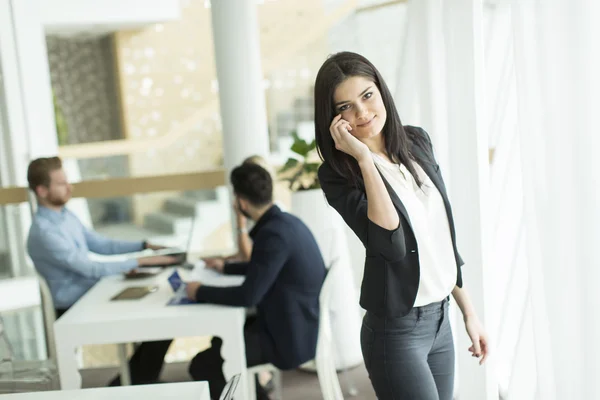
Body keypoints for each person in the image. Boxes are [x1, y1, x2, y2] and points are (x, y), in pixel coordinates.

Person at [314, 52, 489, 400]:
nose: (363, 113)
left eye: (367, 95)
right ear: (334, 118)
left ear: (381, 90)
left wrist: (469, 312)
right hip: (396, 332)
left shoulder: (417, 141)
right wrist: (364, 158)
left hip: (441, 323)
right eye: (346, 107)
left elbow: (440, 240)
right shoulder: (338, 174)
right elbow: (388, 241)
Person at [26, 156, 177, 386]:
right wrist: (140, 262)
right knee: (158, 319)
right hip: (75, 307)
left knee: (159, 309)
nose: (70, 187)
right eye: (61, 183)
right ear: (42, 190)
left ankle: (136, 383)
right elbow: (91, 268)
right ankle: (130, 385)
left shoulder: (65, 216)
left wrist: (143, 246)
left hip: (93, 294)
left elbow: (100, 244)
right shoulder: (44, 233)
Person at [185, 162, 326, 400]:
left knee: (203, 364)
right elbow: (264, 267)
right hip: (297, 325)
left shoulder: (272, 234)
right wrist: (225, 267)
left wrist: (198, 291)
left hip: (288, 339)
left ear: (240, 202)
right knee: (220, 341)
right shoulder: (285, 223)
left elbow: (248, 296)